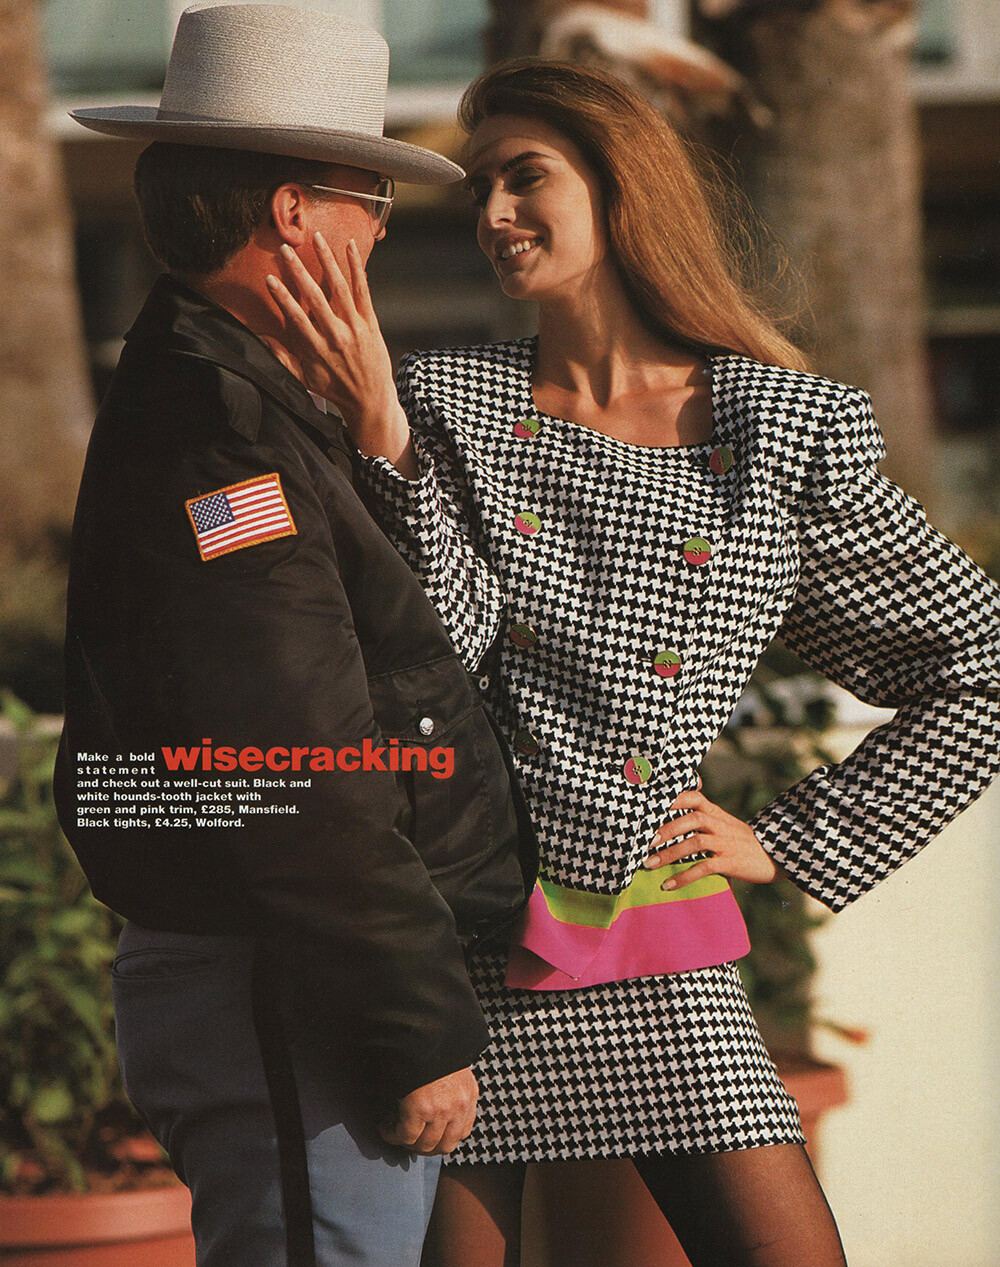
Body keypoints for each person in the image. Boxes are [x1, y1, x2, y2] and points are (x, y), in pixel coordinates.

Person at [262, 58, 1000, 1267]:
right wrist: (383, 438)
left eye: (525, 176)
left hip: (648, 935)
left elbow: (976, 663)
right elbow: (429, 650)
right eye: (481, 187)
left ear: (621, 187)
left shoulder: (778, 431)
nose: (496, 212)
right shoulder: (441, 406)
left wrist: (792, 839)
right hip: (461, 926)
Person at [53, 8, 537, 1266]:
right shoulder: (221, 431)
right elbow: (297, 764)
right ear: (293, 213)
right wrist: (411, 1024)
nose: (378, 231)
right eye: (368, 201)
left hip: (292, 982)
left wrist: (379, 435)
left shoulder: (239, 399)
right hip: (290, 993)